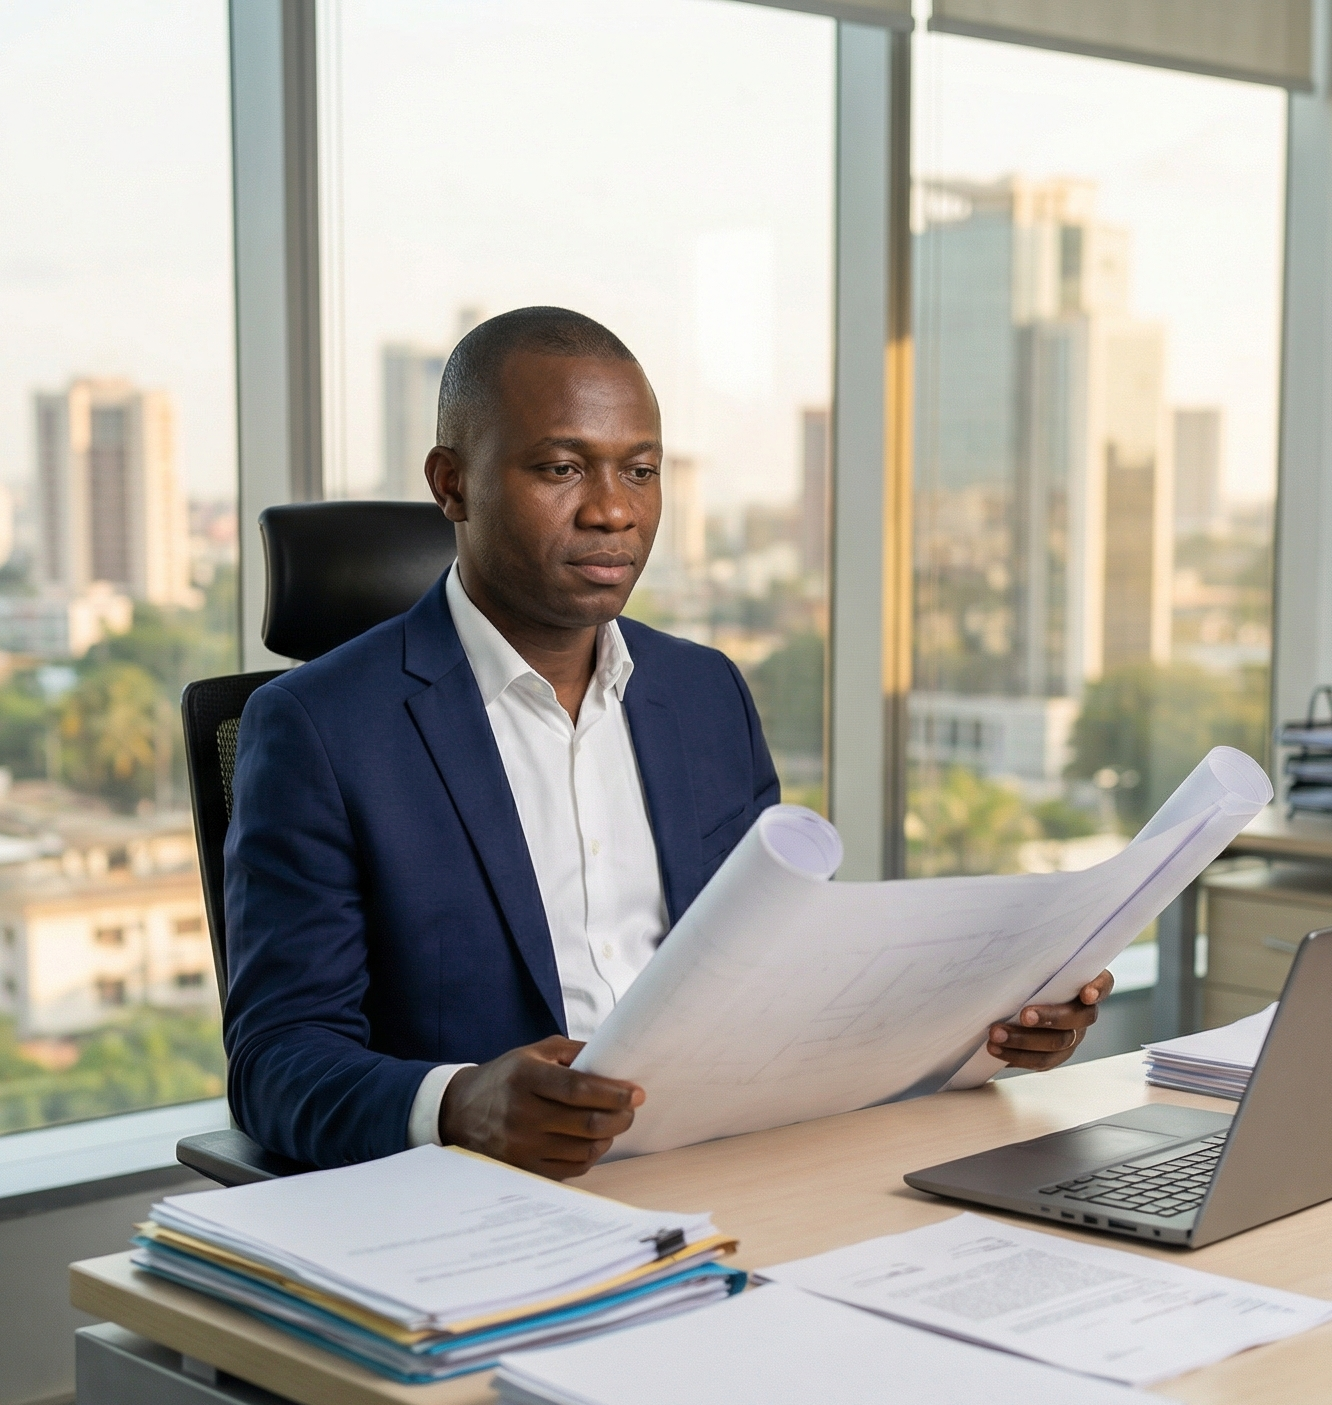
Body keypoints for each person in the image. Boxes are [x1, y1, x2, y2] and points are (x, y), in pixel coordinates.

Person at [223, 307, 1112, 1177]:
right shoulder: (321, 728)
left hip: (729, 1166)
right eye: (562, 468)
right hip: (498, 1203)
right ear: (452, 483)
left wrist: (986, 1028)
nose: (612, 511)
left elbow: (786, 974)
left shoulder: (702, 693)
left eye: (641, 471)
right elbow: (276, 1061)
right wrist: (459, 1106)